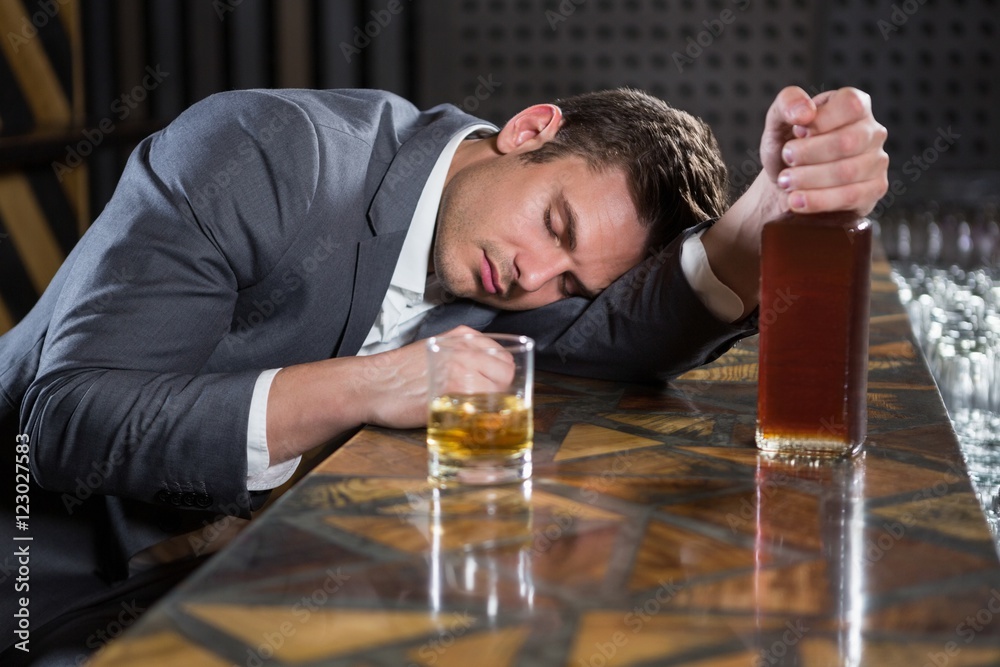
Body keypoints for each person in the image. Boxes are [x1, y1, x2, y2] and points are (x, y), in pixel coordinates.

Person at [0, 84, 887, 663]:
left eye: (572, 282)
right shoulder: (270, 152)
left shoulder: (520, 267)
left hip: (223, 599)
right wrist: (375, 384)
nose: (536, 280)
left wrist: (778, 202)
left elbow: (634, 323)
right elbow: (72, 422)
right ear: (531, 129)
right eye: (557, 226)